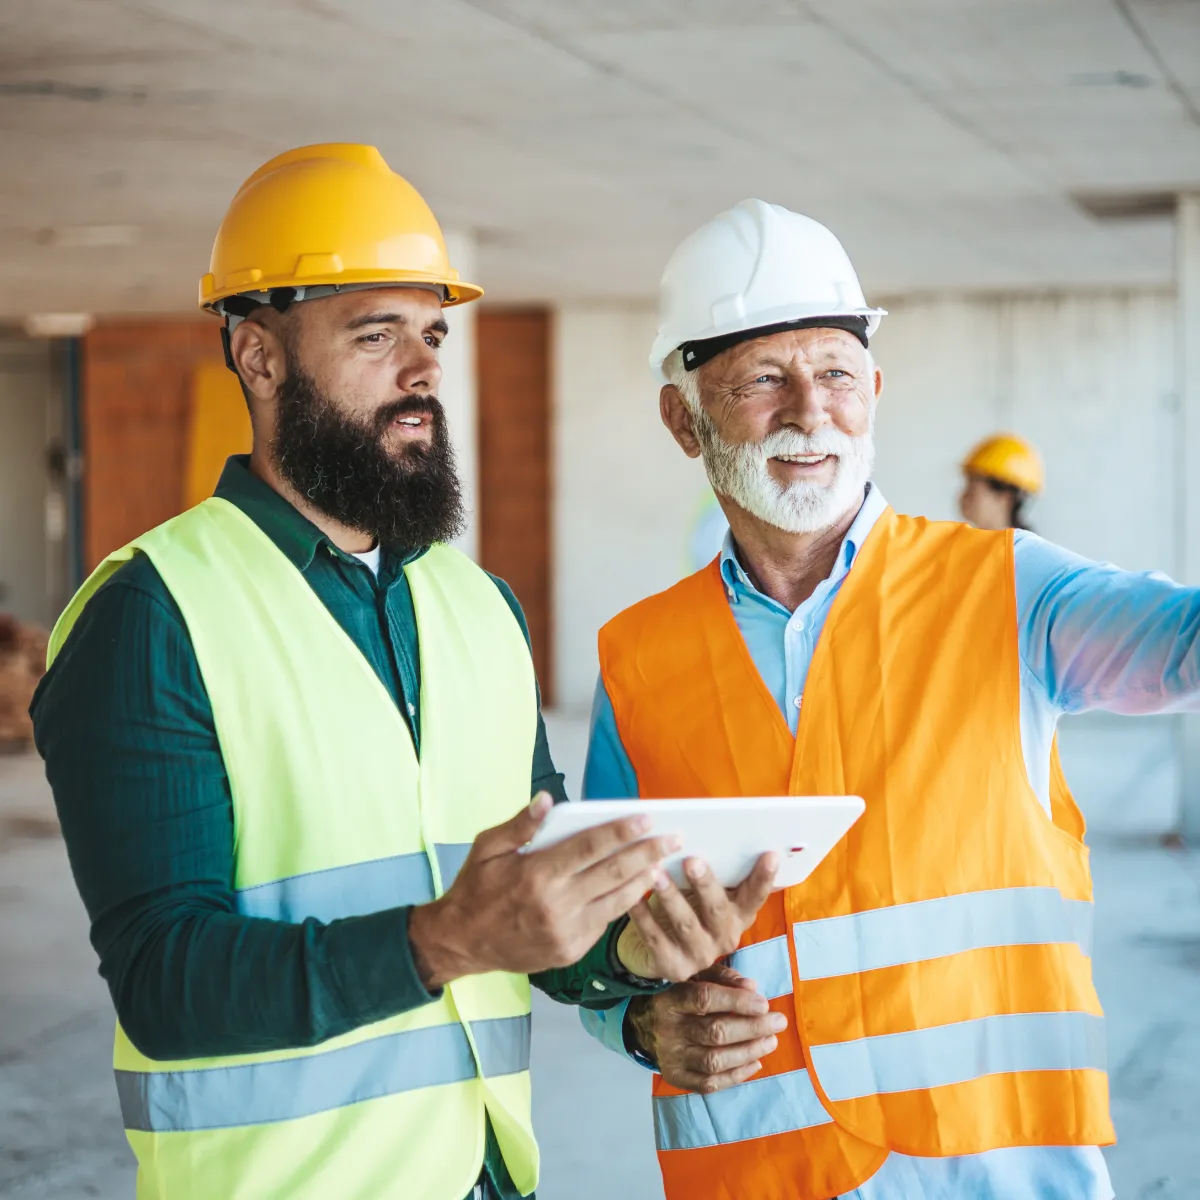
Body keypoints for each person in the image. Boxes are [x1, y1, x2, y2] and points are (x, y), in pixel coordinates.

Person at [30, 145, 777, 1200]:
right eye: (375, 336)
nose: (423, 371)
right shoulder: (152, 613)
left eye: (432, 334)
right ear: (259, 357)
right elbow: (165, 979)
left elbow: (537, 916)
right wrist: (440, 940)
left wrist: (642, 972)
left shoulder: (480, 609)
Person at [580, 197, 1200, 1200]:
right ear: (681, 420)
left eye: (834, 373)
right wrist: (638, 1020)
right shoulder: (636, 658)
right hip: (763, 1174)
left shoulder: (1009, 589)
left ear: (874, 386)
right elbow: (592, 940)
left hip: (997, 1173)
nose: (809, 411)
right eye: (760, 381)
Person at [959, 432, 1045, 530]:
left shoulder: (1023, 545)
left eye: (972, 489)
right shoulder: (975, 543)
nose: (963, 496)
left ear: (1006, 497)